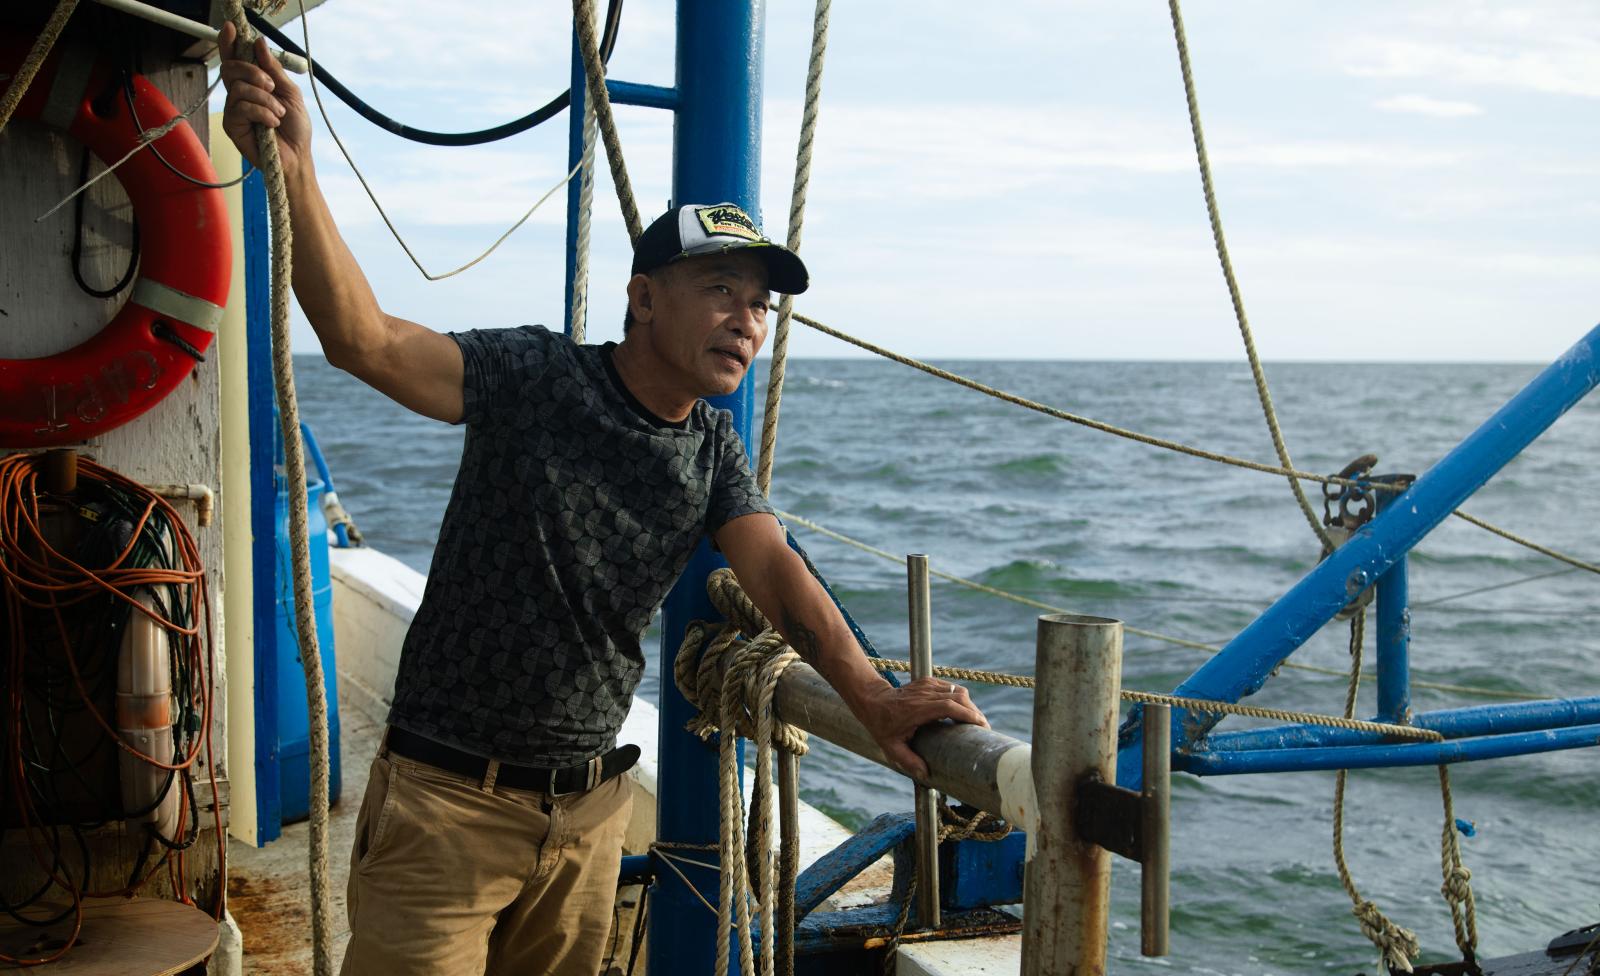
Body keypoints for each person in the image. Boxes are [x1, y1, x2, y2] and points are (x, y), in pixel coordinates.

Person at [218, 24, 988, 976]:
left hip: (586, 824)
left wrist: (872, 695)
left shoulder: (710, 447)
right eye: (718, 290)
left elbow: (778, 572)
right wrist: (293, 162)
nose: (745, 322)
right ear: (642, 299)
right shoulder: (535, 375)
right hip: (447, 808)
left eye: (758, 305)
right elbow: (364, 341)